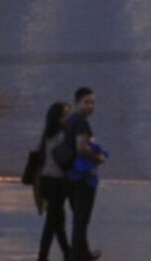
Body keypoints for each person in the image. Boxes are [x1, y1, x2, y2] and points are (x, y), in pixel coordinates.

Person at [63, 87, 106, 261]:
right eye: (86, 102)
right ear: (77, 103)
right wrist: (99, 157)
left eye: (93, 102)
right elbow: (81, 147)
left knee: (79, 217)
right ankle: (77, 255)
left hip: (70, 175)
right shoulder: (80, 122)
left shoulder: (70, 120)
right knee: (82, 218)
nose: (90, 106)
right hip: (82, 177)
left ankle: (82, 252)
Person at [33, 102, 72, 261]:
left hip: (46, 181)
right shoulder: (63, 137)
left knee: (57, 219)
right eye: (65, 115)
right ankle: (44, 255)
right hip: (57, 182)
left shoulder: (47, 136)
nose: (68, 118)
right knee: (53, 221)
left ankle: (67, 252)